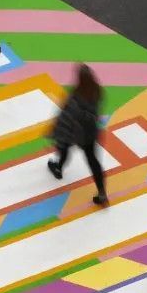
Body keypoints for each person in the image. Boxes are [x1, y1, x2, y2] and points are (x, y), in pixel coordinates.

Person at [48, 64, 108, 207]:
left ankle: (58, 168)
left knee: (64, 148)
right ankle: (102, 192)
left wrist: (55, 129)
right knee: (93, 162)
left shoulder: (76, 95)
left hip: (73, 132)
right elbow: (94, 114)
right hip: (90, 134)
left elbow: (66, 115)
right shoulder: (97, 91)